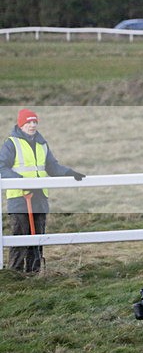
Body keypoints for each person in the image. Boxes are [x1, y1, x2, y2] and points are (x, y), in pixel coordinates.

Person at [0, 109, 85, 273]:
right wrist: (22, 182)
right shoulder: (11, 143)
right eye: (28, 122)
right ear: (21, 124)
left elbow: (52, 166)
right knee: (20, 238)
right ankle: (14, 274)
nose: (32, 125)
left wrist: (69, 172)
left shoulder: (42, 144)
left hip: (39, 197)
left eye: (34, 122)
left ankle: (34, 273)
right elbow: (1, 166)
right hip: (19, 198)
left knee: (38, 237)